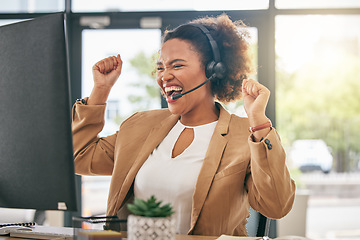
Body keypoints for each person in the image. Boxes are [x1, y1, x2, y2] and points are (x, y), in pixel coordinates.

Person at [72, 13, 295, 236]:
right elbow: (78, 158)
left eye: (176, 66)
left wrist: (258, 123)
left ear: (212, 70)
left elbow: (276, 205)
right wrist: (100, 91)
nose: (164, 76)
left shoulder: (246, 136)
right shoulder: (139, 126)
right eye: (160, 68)